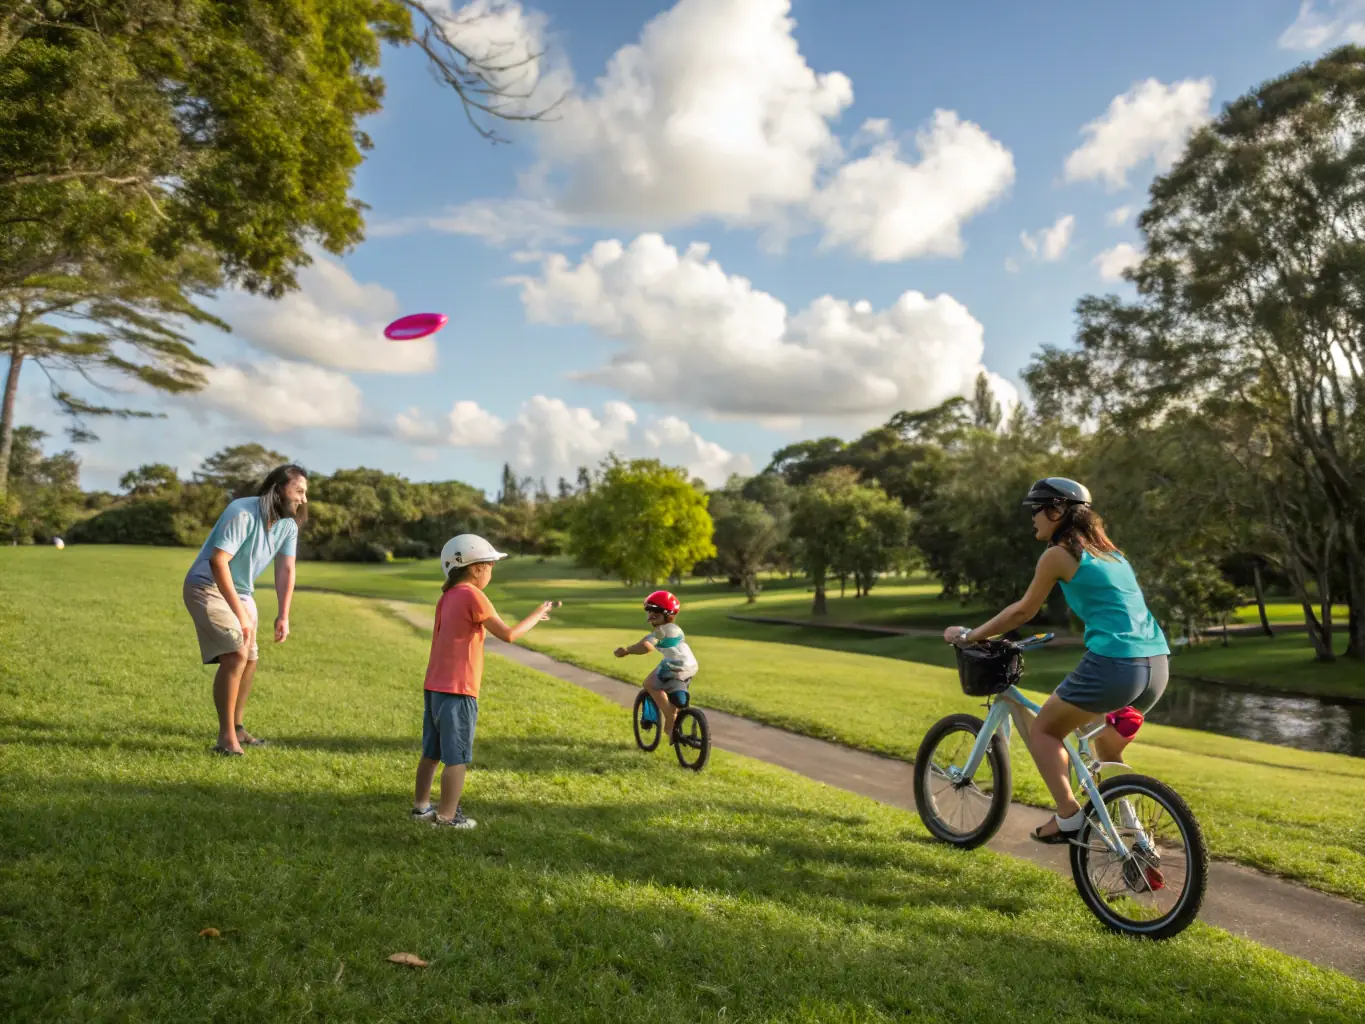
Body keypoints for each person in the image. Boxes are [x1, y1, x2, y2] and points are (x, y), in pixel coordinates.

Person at [944, 477, 1169, 844]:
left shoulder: (1058, 555)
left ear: (1057, 510)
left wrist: (970, 636)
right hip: (1156, 668)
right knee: (1105, 750)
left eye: (1037, 509)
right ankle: (1136, 839)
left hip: (1115, 666)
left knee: (1046, 729)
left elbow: (1022, 612)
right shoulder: (1112, 554)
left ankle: (1068, 817)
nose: (1032, 517)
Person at [412, 534, 554, 829]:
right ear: (475, 568)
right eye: (489, 566)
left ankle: (422, 808)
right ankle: (448, 817)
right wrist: (537, 615)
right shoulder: (473, 595)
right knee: (457, 757)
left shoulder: (448, 596)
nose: (490, 571)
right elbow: (510, 634)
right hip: (459, 688)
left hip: (435, 687)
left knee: (431, 753)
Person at [183, 465, 308, 756]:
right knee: (236, 653)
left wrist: (283, 614)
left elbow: (286, 569)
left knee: (250, 658)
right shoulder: (242, 511)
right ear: (278, 489)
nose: (303, 500)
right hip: (207, 585)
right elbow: (218, 561)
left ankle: (237, 727)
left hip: (240, 592)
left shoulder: (288, 525)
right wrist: (239, 613)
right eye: (299, 491)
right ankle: (226, 739)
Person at [614, 590, 698, 741]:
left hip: (674, 665)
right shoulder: (673, 629)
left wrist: (627, 651)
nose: (651, 615)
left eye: (656, 612)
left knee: (650, 683)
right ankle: (675, 719)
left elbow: (646, 646)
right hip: (690, 665)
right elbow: (648, 641)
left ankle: (669, 715)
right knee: (674, 693)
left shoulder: (661, 632)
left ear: (666, 615)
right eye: (650, 611)